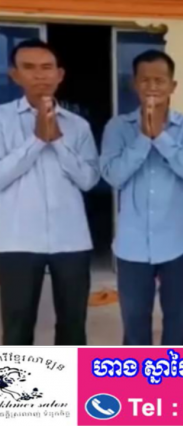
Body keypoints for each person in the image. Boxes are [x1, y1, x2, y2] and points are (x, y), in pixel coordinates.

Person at [100, 50, 183, 346]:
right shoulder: (117, 128)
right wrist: (142, 139)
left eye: (159, 80)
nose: (152, 87)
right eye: (145, 80)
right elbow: (113, 175)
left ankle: (171, 375)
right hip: (132, 245)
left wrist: (161, 138)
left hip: (177, 243)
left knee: (177, 325)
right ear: (134, 84)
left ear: (173, 86)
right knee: (135, 327)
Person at [0, 39, 100, 346]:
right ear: (14, 75)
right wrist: (36, 141)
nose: (39, 75)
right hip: (17, 239)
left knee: (73, 327)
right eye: (29, 67)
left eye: (47, 67)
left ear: (60, 74)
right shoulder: (1, 119)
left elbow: (89, 180)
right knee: (17, 328)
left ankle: (67, 379)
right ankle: (21, 381)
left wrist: (56, 141)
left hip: (71, 239)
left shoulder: (78, 126)